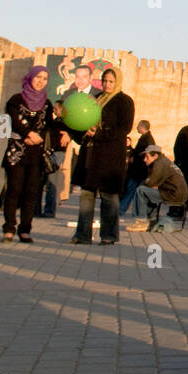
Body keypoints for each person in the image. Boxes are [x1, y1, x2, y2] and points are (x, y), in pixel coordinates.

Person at [71, 68, 135, 245]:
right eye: (105, 81)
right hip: (91, 155)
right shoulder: (95, 99)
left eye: (111, 81)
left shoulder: (124, 101)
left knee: (109, 197)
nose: (107, 85)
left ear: (117, 82)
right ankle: (82, 234)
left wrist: (98, 134)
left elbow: (124, 128)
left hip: (109, 157)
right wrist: (84, 132)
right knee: (86, 196)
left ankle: (108, 235)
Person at [2, 67, 65, 243]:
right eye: (38, 77)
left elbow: (49, 127)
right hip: (17, 151)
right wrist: (29, 134)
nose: (41, 81)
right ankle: (8, 228)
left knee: (31, 193)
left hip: (36, 154)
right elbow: (13, 120)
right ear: (30, 78)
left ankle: (25, 230)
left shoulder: (47, 104)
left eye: (45, 78)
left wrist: (65, 132)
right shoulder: (16, 100)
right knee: (14, 190)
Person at [126, 144, 188, 232]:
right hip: (179, 194)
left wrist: (147, 181)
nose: (144, 160)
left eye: (147, 157)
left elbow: (150, 183)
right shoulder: (164, 161)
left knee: (141, 190)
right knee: (148, 193)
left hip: (173, 195)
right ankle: (151, 221)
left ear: (155, 156)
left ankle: (141, 222)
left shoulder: (159, 163)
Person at [121, 120, 155, 214]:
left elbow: (149, 154)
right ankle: (124, 209)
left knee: (132, 190)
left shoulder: (148, 139)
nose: (136, 128)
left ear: (142, 127)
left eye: (138, 126)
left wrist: (135, 158)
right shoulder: (145, 138)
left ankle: (121, 209)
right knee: (133, 191)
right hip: (138, 170)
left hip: (140, 170)